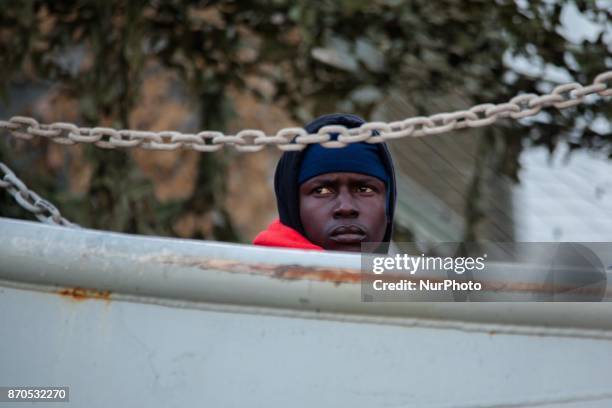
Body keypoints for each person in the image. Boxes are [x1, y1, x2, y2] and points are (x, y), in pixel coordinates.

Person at [253, 113, 397, 253]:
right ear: (293, 208)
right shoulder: (246, 274)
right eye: (322, 191)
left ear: (388, 207)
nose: (346, 207)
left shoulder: (405, 275)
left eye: (364, 189)